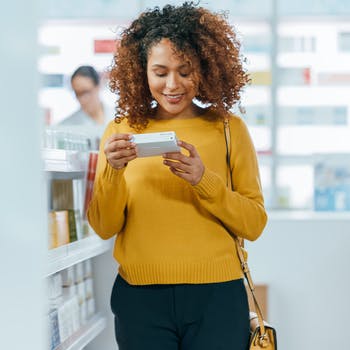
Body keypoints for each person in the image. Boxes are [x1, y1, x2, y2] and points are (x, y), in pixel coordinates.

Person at [87, 3, 267, 350]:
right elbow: (104, 226)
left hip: (217, 298)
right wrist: (113, 171)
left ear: (205, 69)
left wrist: (204, 180)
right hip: (141, 300)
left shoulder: (229, 129)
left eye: (186, 71)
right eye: (160, 71)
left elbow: (254, 224)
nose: (173, 84)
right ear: (142, 72)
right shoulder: (120, 130)